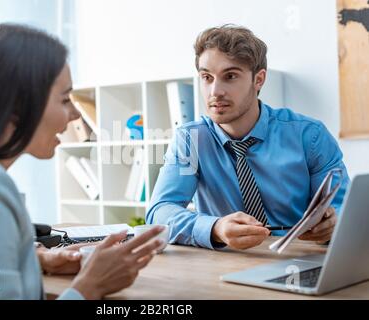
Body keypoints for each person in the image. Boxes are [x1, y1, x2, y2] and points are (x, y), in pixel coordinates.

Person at [0, 24, 164, 300]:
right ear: (16, 108)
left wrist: (35, 262)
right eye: (64, 100)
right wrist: (89, 288)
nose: (73, 115)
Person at [146, 25, 350, 251]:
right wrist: (216, 228)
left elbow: (346, 208)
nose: (215, 91)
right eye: (206, 77)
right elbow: (160, 212)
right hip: (225, 265)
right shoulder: (191, 140)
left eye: (230, 76)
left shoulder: (309, 135)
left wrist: (335, 222)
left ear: (259, 79)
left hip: (299, 260)